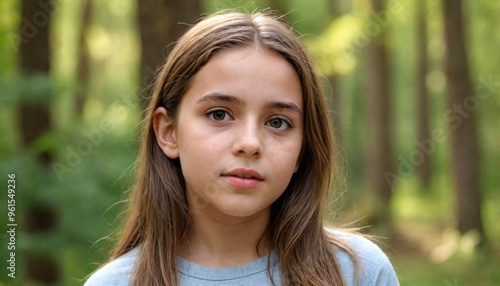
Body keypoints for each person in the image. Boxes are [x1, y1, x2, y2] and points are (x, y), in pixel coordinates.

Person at [84, 10, 399, 286]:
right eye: (219, 114)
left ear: (302, 148)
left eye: (277, 122)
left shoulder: (359, 273)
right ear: (169, 133)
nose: (250, 143)